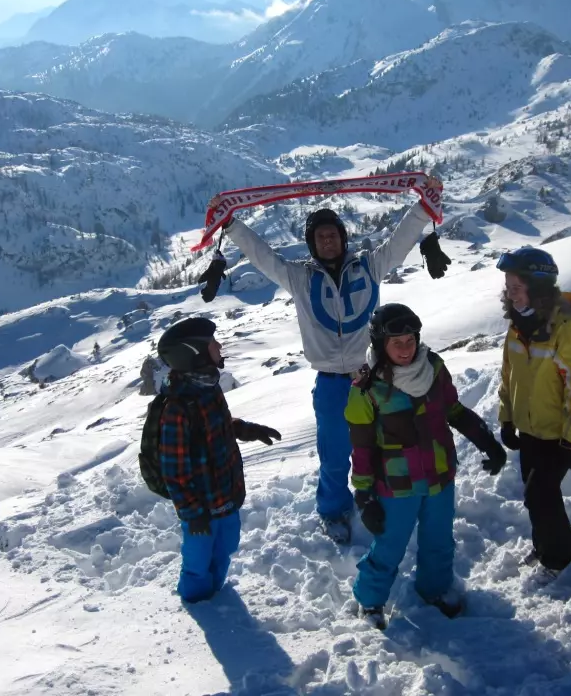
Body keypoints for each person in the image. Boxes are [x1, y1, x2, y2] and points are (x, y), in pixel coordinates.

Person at [220, 200, 434, 543]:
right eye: (320, 237)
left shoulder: (369, 267)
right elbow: (264, 257)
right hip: (332, 384)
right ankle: (334, 511)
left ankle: (386, 498)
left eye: (332, 234)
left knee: (383, 446)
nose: (327, 241)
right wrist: (231, 226)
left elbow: (398, 243)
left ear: (342, 237)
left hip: (373, 378)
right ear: (312, 243)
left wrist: (423, 209)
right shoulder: (300, 277)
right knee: (334, 454)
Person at [345, 303, 507, 629]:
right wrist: (363, 495)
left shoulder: (433, 369)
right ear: (380, 345)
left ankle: (433, 589)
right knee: (390, 546)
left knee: (439, 540)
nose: (406, 349)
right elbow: (361, 449)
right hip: (396, 486)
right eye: (397, 343)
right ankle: (370, 599)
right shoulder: (366, 391)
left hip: (439, 477)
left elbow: (455, 411)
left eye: (410, 340)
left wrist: (486, 440)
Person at [156, 317, 281, 603]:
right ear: (195, 353)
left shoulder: (209, 387)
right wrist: (191, 511)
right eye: (213, 343)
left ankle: (217, 595)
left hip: (226, 494)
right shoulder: (177, 408)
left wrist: (246, 429)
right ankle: (199, 605)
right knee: (198, 561)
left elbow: (217, 425)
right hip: (201, 507)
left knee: (225, 548)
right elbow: (174, 470)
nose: (220, 346)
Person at [496, 247, 571, 581]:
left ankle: (560, 559)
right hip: (529, 430)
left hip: (557, 435)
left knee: (541, 495)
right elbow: (509, 375)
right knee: (535, 496)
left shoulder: (568, 330)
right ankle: (543, 546)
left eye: (517, 287)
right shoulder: (519, 326)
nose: (510, 294)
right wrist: (507, 418)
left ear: (538, 287)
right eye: (508, 287)